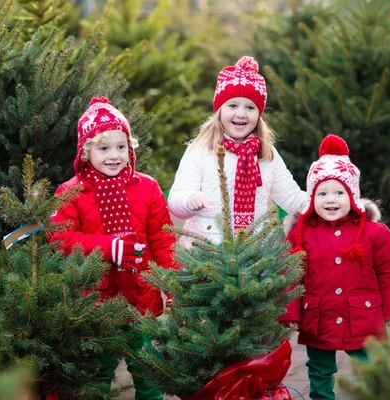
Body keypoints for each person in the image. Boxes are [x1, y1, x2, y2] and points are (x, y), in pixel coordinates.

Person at [49, 96, 174, 400]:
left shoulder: (147, 187)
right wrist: (111, 248)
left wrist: (173, 286)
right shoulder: (70, 192)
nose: (114, 156)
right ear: (85, 151)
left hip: (140, 302)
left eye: (121, 147)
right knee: (97, 374)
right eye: (103, 148)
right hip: (95, 304)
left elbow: (163, 240)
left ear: (130, 150)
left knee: (148, 370)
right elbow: (60, 239)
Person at [280, 134, 390, 400]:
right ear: (312, 197)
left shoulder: (375, 233)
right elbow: (291, 275)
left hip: (363, 317)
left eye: (339, 192)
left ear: (352, 196)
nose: (331, 200)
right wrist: (289, 311)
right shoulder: (301, 235)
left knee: (373, 365)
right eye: (322, 193)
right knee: (319, 369)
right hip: (319, 317)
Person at [168, 56, 307, 246]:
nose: (241, 114)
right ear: (220, 110)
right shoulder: (201, 149)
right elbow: (177, 198)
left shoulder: (266, 154)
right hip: (206, 253)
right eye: (232, 105)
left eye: (250, 107)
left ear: (259, 115)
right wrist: (189, 200)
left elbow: (291, 196)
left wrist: (324, 202)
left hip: (255, 254)